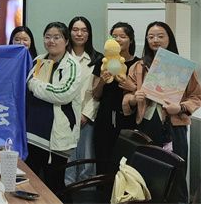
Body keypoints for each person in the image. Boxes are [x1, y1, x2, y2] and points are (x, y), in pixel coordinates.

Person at [123, 21, 201, 203]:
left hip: (174, 126)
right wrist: (134, 98)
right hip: (146, 124)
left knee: (176, 172)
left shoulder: (182, 67)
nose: (155, 40)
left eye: (160, 36)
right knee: (147, 172)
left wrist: (180, 107)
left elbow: (196, 96)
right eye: (151, 37)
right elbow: (127, 95)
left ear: (169, 39)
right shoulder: (139, 66)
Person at [25, 21, 82, 195]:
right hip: (34, 134)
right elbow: (27, 84)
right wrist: (35, 85)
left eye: (57, 37)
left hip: (57, 137)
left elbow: (63, 94)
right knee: (30, 181)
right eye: (48, 37)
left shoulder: (72, 65)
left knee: (55, 184)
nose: (51, 41)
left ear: (66, 41)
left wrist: (36, 86)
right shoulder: (39, 60)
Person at [92, 21, 138, 175]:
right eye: (114, 36)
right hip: (104, 119)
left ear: (131, 40)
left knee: (126, 166)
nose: (118, 39)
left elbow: (144, 94)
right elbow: (96, 94)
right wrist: (102, 81)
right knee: (103, 162)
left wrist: (132, 87)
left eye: (122, 36)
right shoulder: (102, 62)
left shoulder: (138, 64)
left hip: (128, 121)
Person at [64, 16, 100, 184]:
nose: (79, 34)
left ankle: (87, 192)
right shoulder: (62, 57)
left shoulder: (97, 59)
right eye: (75, 30)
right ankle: (66, 190)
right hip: (65, 116)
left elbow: (97, 92)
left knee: (87, 158)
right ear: (69, 33)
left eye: (84, 30)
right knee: (67, 157)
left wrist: (86, 114)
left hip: (88, 117)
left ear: (89, 34)